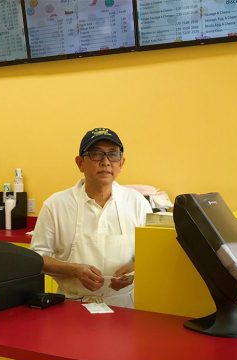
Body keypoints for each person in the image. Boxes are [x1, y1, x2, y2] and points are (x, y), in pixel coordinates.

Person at [30, 128, 152, 308]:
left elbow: (150, 255)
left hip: (125, 307)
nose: (106, 162)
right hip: (72, 305)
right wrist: (74, 270)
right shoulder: (56, 205)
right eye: (96, 154)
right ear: (80, 163)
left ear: (121, 163)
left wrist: (135, 268)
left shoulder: (136, 203)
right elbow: (37, 258)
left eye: (113, 154)